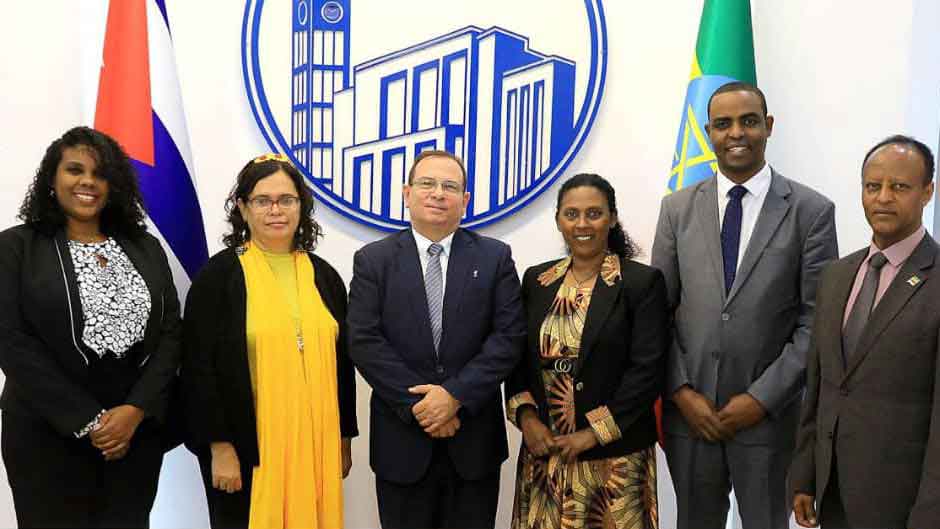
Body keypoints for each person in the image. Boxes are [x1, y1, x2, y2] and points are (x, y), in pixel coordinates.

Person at [650, 81, 839, 529]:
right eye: (723, 124)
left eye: (748, 121)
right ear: (709, 133)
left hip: (769, 421)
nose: (736, 133)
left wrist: (760, 399)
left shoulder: (811, 211)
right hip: (691, 419)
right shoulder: (676, 209)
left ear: (768, 126)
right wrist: (681, 392)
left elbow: (816, 322)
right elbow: (658, 314)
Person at [0, 126, 182, 528]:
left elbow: (171, 332)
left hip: (133, 436)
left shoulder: (145, 246)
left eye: (100, 174)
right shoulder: (15, 247)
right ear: (52, 179)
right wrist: (90, 421)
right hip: (46, 433)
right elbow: (10, 340)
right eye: (75, 170)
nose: (88, 181)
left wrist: (134, 411)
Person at [347, 149, 525, 529]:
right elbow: (363, 340)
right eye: (427, 183)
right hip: (402, 443)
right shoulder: (373, 260)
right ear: (407, 193)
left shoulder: (494, 257)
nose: (438, 193)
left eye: (450, 186)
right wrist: (423, 406)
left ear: (465, 199)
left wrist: (454, 396)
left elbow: (508, 337)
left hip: (473, 444)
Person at [181, 154, 357, 529]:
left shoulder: (325, 276)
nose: (275, 210)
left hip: (317, 445)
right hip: (245, 452)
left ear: (301, 206)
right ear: (243, 208)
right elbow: (198, 369)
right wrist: (219, 446)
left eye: (286, 200)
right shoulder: (219, 276)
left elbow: (342, 364)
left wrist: (343, 438)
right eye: (263, 200)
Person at [790, 135, 940, 529]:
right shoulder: (836, 275)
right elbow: (820, 386)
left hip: (904, 502)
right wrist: (805, 474)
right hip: (833, 492)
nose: (883, 198)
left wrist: (931, 512)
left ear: (928, 192)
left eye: (900, 187)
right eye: (873, 186)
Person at [505, 173, 667, 529]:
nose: (582, 224)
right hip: (546, 457)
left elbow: (648, 371)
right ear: (558, 220)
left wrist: (593, 433)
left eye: (594, 214)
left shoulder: (641, 283)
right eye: (571, 214)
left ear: (612, 218)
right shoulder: (537, 280)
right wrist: (527, 418)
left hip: (614, 463)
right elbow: (516, 359)